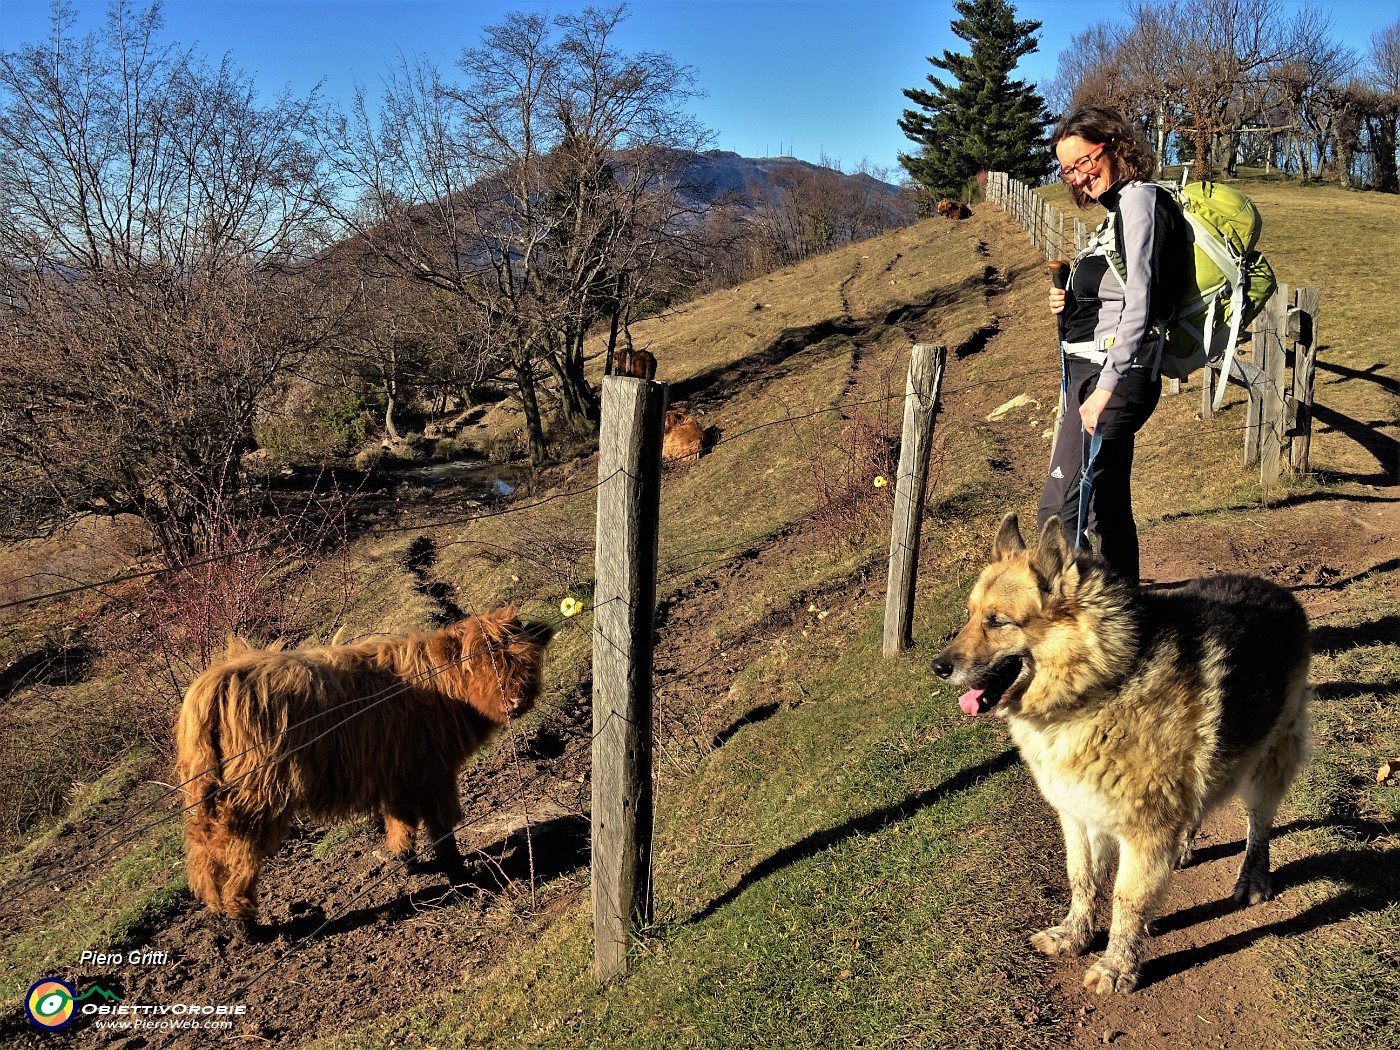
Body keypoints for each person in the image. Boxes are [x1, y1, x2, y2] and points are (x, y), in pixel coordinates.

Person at [1039, 107, 1188, 587]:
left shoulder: (1139, 201)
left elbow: (1142, 301)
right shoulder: (1119, 211)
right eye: (1068, 171)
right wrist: (1072, 299)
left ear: (1111, 146)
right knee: (1106, 506)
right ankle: (1130, 621)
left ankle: (1063, 630)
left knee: (1060, 509)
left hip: (1113, 377)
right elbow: (1119, 290)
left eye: (1083, 162)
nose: (1078, 178)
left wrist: (1105, 388)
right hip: (1097, 373)